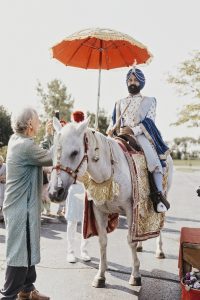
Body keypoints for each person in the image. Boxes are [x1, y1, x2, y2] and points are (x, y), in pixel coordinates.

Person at [0, 107, 53, 300]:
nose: (40, 121)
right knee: (18, 254)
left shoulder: (18, 141)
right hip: (20, 210)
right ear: (30, 124)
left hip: (23, 208)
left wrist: (47, 137)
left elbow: (41, 155)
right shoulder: (24, 146)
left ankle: (27, 290)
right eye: (37, 119)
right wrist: (60, 135)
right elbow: (51, 157)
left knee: (27, 249)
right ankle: (8, 296)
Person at [107, 66, 170, 213]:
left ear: (141, 82)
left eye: (135, 80)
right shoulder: (119, 102)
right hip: (120, 135)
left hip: (140, 135)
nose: (132, 82)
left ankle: (158, 196)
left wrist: (133, 130)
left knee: (152, 160)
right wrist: (110, 128)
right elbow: (113, 120)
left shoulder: (149, 101)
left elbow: (150, 121)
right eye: (130, 80)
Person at [66, 110, 91, 263]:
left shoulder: (88, 141)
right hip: (73, 186)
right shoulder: (70, 142)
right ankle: (70, 251)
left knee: (86, 220)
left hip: (87, 185)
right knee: (72, 221)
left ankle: (84, 250)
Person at [0, 155, 6, 223]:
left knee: (3, 200)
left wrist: (3, 178)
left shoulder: (5, 166)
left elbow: (9, 174)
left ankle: (3, 216)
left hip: (4, 185)